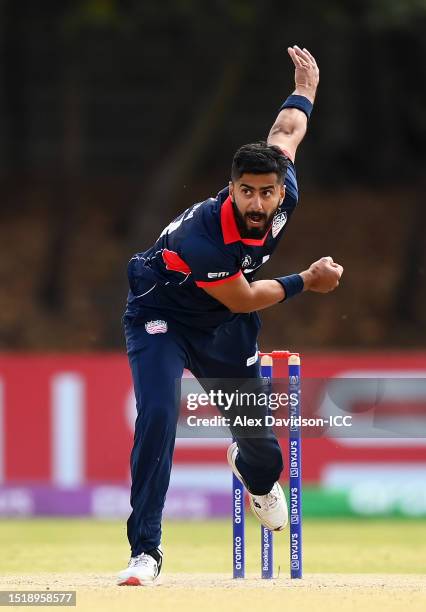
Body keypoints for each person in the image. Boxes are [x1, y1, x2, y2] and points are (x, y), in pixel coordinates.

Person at [117, 46, 343, 586]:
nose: (260, 203)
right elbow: (243, 297)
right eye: (248, 192)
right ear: (232, 186)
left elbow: (287, 130)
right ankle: (145, 552)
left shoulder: (282, 187)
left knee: (265, 456)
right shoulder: (206, 239)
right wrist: (306, 282)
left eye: (267, 192)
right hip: (162, 314)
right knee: (156, 416)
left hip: (222, 326)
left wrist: (306, 89)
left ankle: (254, 476)